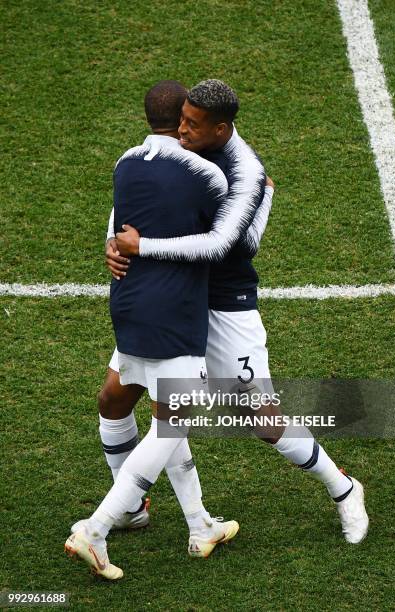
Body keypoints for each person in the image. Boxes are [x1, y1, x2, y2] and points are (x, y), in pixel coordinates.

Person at [105, 80, 369, 546]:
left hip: (224, 303)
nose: (180, 131)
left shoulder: (244, 172)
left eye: (191, 124)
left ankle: (344, 488)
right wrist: (114, 245)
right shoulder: (183, 148)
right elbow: (135, 204)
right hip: (174, 297)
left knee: (260, 418)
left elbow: (233, 245)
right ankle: (132, 508)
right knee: (117, 399)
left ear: (221, 129)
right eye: (181, 118)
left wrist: (260, 201)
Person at [65, 80, 240, 580]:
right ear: (184, 117)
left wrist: (116, 247)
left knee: (134, 402)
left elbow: (116, 232)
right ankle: (95, 530)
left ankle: (199, 524)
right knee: (174, 422)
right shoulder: (207, 175)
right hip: (175, 311)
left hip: (129, 304)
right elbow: (223, 243)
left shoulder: (125, 162)